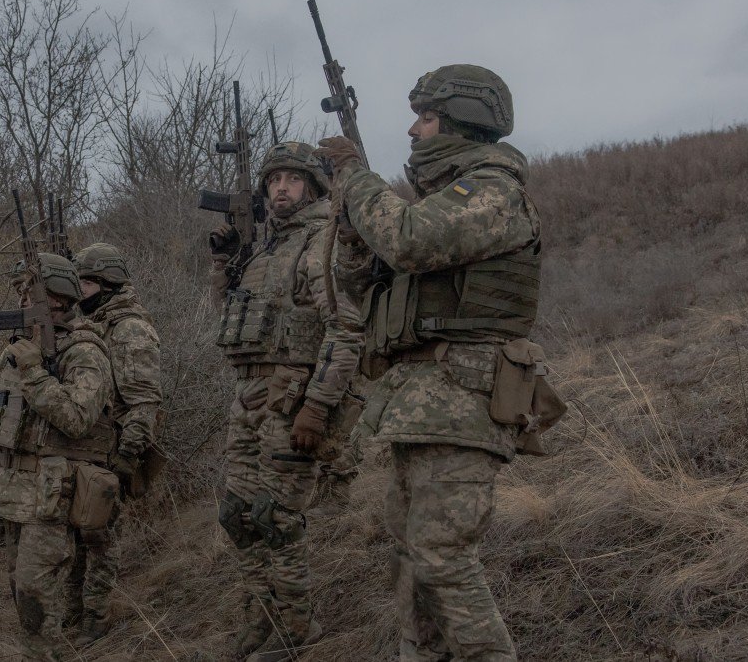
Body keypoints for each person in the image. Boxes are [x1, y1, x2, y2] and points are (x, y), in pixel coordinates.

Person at [315, 64, 545, 661]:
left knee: (442, 554)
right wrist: (350, 232)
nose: (413, 130)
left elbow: (412, 241)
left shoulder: (493, 190)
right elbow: (360, 286)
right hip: (416, 404)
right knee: (411, 560)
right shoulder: (436, 202)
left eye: (426, 117)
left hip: (463, 402)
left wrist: (354, 175)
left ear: (461, 122)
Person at [209, 141, 364, 660]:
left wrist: (317, 406)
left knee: (275, 517)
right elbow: (233, 321)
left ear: (313, 187)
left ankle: (297, 628)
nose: (281, 187)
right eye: (273, 179)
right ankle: (262, 617)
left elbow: (344, 330)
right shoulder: (262, 249)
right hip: (246, 399)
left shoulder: (321, 244)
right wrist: (223, 264)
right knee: (237, 515)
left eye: (292, 179)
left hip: (290, 399)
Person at [0, 253, 114, 655]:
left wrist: (35, 373)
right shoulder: (18, 349)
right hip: (13, 492)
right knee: (21, 592)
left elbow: (77, 419)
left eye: (28, 292)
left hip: (53, 497)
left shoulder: (85, 351)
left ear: (58, 297)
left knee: (36, 595)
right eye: (19, 292)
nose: (19, 301)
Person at [66, 242, 164, 645]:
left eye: (85, 283)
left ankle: (97, 617)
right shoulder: (93, 323)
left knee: (100, 537)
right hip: (87, 447)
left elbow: (143, 403)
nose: (79, 291)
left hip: (112, 450)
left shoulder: (129, 327)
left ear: (107, 283)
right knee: (75, 534)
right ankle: (73, 612)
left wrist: (125, 459)